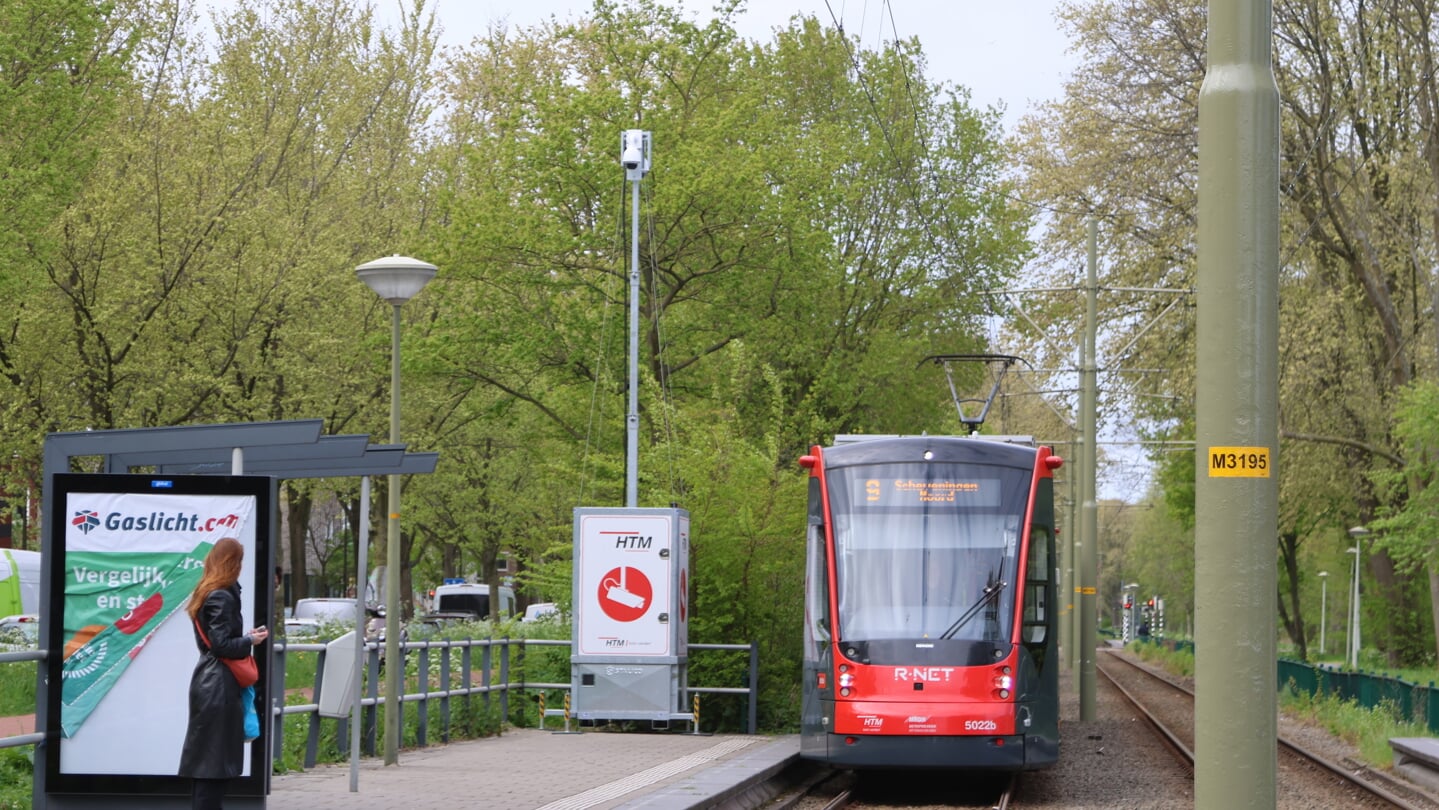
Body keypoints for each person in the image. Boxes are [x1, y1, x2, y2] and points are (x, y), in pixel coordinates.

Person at [178, 538, 268, 810]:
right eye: (239, 560)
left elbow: (217, 640)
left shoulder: (208, 591)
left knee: (208, 763)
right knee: (213, 766)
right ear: (233, 562)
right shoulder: (220, 594)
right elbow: (221, 645)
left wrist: (244, 638)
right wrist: (250, 642)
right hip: (218, 687)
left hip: (209, 684)